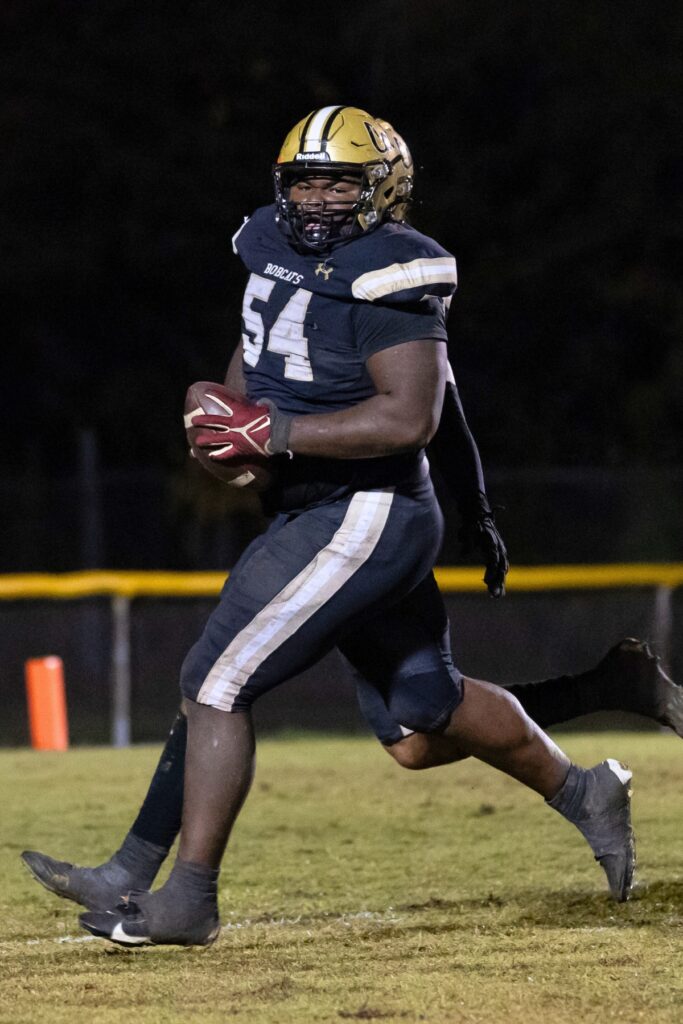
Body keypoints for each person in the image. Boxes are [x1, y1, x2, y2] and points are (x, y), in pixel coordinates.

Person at [22, 107, 682, 947]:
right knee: (419, 725)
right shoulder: (266, 241)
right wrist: (231, 423)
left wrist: (278, 436)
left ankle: (178, 892)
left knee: (217, 680)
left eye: (339, 179)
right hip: (322, 505)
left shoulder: (393, 268)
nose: (318, 197)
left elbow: (413, 416)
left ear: (384, 189)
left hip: (361, 511)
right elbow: (259, 350)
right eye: (304, 179)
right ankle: (592, 747)